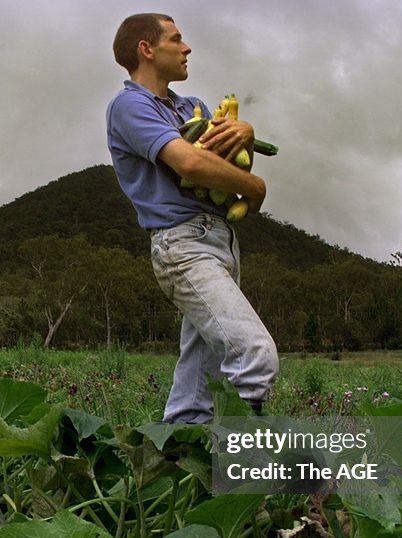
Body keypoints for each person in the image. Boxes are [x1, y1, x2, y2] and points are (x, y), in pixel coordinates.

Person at [106, 13, 278, 423]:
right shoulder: (130, 105)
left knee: (196, 389)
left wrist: (245, 133)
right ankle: (289, 469)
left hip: (220, 240)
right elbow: (190, 163)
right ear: (146, 49)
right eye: (176, 39)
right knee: (254, 355)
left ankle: (177, 462)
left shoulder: (192, 107)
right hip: (182, 245)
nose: (186, 48)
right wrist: (254, 187)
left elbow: (222, 160)